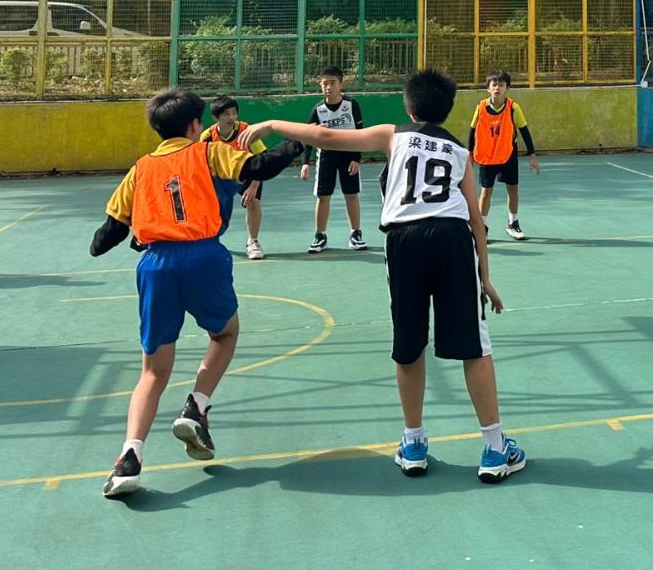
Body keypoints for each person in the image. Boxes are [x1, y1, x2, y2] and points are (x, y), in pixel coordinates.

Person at [242, 69, 525, 483]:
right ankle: (495, 447)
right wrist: (485, 276)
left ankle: (414, 443)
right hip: (451, 239)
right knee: (474, 347)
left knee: (409, 344)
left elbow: (325, 137)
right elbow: (476, 220)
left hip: (404, 239)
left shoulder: (394, 135)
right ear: (447, 111)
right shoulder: (459, 152)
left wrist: (270, 124)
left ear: (408, 107)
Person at [90, 87, 303, 498]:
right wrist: (298, 142)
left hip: (156, 265)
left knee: (153, 371)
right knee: (225, 333)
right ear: (194, 125)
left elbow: (110, 230)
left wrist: (102, 244)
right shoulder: (207, 152)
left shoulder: (140, 168)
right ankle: (197, 404)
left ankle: (128, 458)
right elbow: (259, 166)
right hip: (204, 256)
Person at [299, 67, 367, 252]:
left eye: (332, 83)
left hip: (349, 154)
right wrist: (305, 163)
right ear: (320, 85)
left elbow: (360, 133)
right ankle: (320, 235)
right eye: (325, 84)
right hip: (327, 157)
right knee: (323, 197)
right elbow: (309, 136)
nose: (328, 87)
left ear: (341, 84)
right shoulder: (318, 110)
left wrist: (356, 158)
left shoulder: (351, 105)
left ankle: (355, 233)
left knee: (351, 194)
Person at [471, 71, 540, 241]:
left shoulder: (513, 107)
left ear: (507, 88)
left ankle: (513, 224)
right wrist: (470, 153)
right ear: (488, 88)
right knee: (486, 192)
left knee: (513, 189)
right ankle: (482, 228)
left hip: (508, 154)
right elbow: (472, 131)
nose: (497, 88)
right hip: (487, 156)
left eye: (501, 85)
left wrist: (532, 155)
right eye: (494, 85)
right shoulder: (480, 107)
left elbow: (524, 131)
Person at [205, 96, 265, 260]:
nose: (231, 117)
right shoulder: (208, 136)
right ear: (215, 117)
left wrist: (253, 187)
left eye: (234, 113)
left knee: (254, 202)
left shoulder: (246, 130)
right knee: (211, 207)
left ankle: (253, 241)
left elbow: (261, 159)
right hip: (222, 176)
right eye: (226, 114)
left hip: (247, 174)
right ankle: (211, 239)